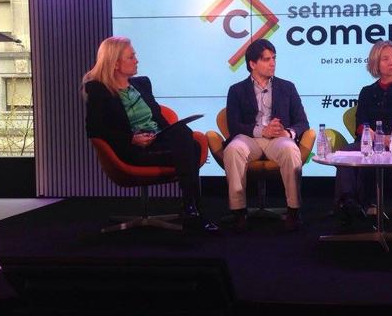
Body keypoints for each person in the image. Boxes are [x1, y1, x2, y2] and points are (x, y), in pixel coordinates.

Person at [82, 36, 218, 232]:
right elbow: (95, 130)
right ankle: (192, 210)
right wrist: (131, 139)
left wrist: (169, 133)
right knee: (192, 149)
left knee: (183, 133)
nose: (136, 60)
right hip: (132, 148)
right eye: (131, 57)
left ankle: (191, 209)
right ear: (115, 63)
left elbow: (159, 117)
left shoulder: (142, 84)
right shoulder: (98, 90)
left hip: (157, 140)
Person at [334, 40, 392, 224]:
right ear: (376, 63)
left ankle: (358, 206)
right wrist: (377, 137)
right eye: (385, 59)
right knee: (346, 153)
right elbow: (360, 124)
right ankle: (348, 202)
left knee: (366, 159)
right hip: (369, 143)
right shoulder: (367, 92)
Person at [223, 39, 309, 232]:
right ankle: (239, 212)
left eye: (274, 58)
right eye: (267, 59)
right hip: (249, 138)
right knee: (233, 149)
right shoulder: (236, 90)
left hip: (277, 139)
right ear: (252, 64)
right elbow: (234, 126)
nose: (273, 63)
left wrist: (287, 132)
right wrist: (261, 131)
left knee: (290, 149)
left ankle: (293, 211)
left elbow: (302, 122)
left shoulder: (287, 87)